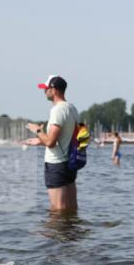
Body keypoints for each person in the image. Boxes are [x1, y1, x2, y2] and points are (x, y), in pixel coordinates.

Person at [26, 75, 80, 212]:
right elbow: (64, 138)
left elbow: (50, 142)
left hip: (56, 165)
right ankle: (72, 232)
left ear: (54, 90)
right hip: (70, 163)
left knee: (58, 210)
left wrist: (37, 130)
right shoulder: (72, 108)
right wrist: (39, 141)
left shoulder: (57, 110)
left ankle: (56, 233)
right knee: (71, 209)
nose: (44, 92)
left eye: (46, 89)